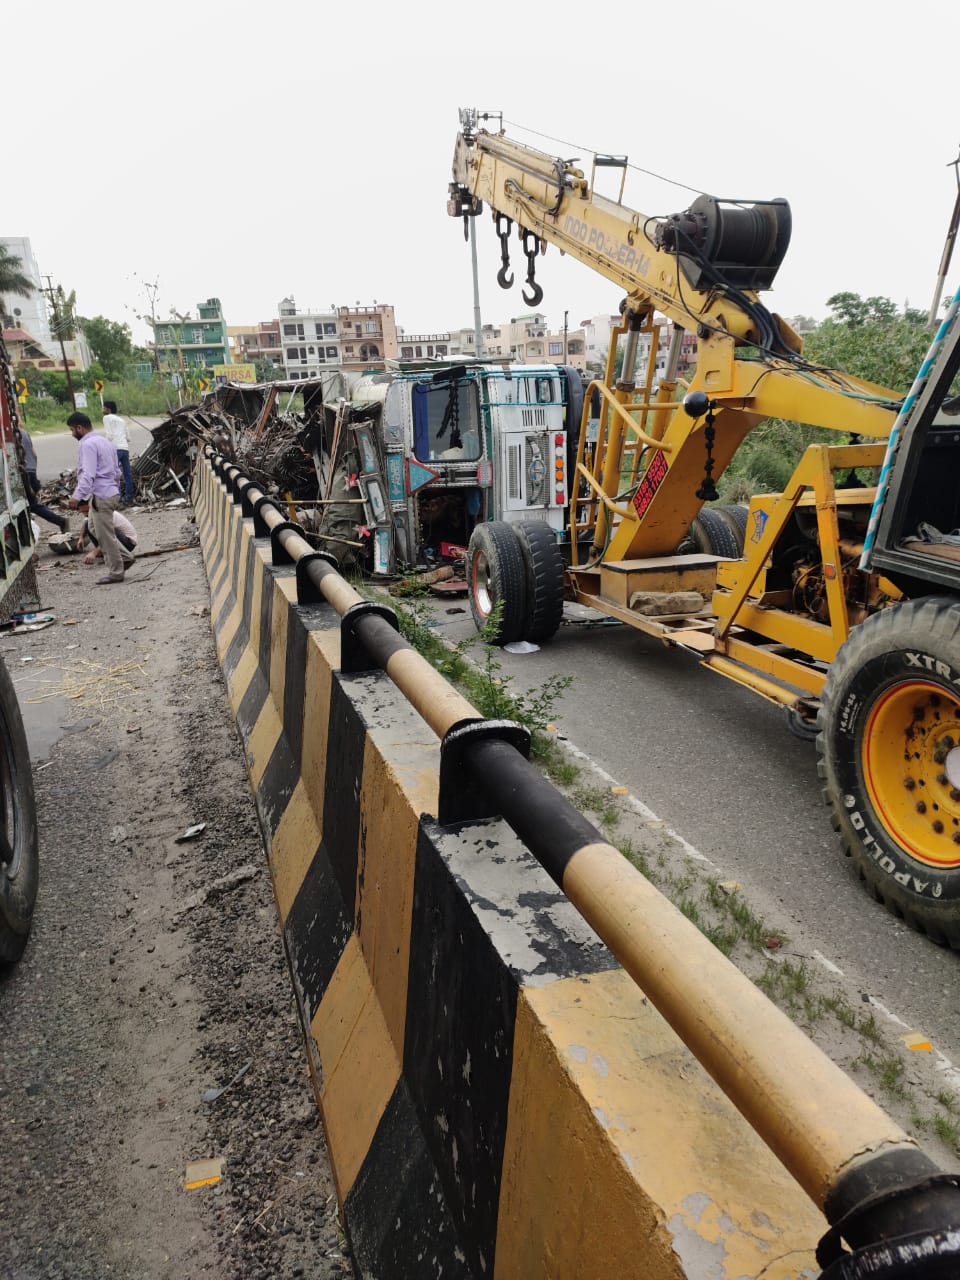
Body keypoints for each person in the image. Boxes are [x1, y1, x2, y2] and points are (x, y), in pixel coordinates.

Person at [65, 412, 126, 585]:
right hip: (111, 492)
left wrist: (76, 497)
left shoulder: (88, 445)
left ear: (79, 428)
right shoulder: (105, 442)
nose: (72, 434)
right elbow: (117, 471)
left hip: (101, 494)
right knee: (98, 529)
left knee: (105, 536)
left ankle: (116, 572)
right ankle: (126, 558)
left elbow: (88, 475)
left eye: (72, 430)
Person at [17, 427, 69, 532]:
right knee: (29, 505)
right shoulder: (23, 432)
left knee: (31, 505)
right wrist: (33, 472)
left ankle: (61, 521)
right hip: (30, 471)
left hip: (22, 473)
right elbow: (34, 455)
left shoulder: (7, 435)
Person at [75, 499, 137, 568]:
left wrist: (94, 552)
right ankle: (104, 551)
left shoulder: (102, 513)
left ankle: (122, 556)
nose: (85, 514)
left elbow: (107, 536)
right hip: (114, 539)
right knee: (88, 524)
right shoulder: (92, 513)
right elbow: (86, 523)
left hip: (128, 543)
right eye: (82, 512)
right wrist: (81, 538)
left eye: (87, 511)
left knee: (105, 530)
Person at [101, 400, 134, 505]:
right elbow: (128, 438)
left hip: (115, 449)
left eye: (104, 408)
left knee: (114, 474)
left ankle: (117, 500)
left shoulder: (106, 418)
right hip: (124, 448)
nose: (103, 410)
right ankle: (129, 499)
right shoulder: (122, 420)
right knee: (127, 474)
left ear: (108, 409)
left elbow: (109, 435)